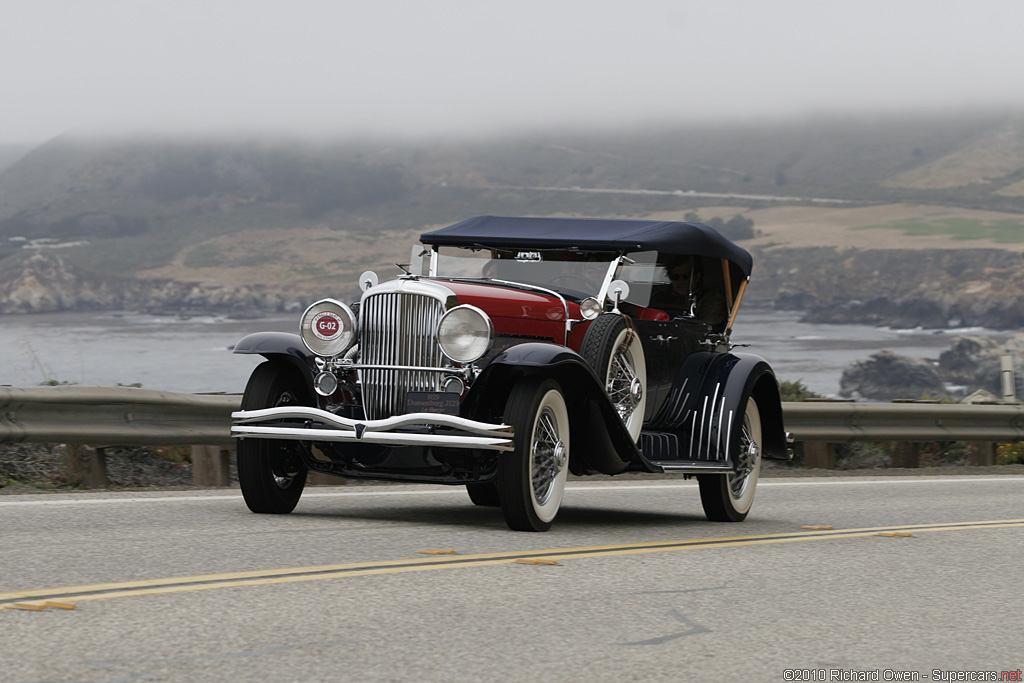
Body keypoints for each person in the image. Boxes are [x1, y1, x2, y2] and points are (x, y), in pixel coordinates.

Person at [665, 255, 728, 327]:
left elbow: (706, 326)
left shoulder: (712, 299)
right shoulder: (658, 298)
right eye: (675, 277)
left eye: (686, 276)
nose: (681, 281)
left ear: (697, 277)